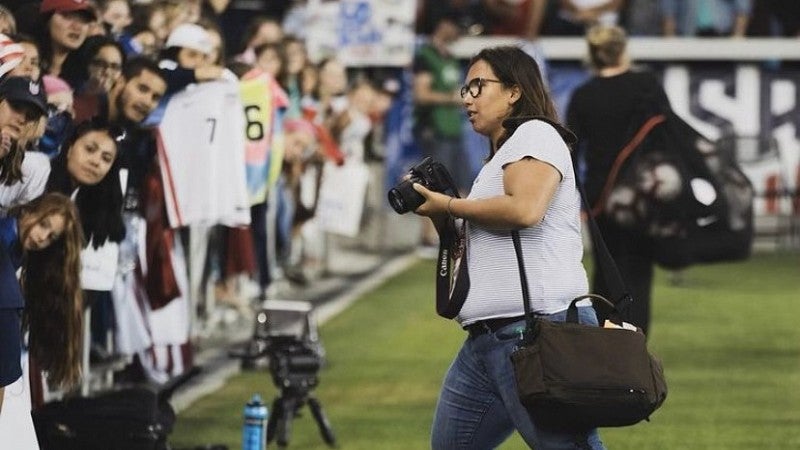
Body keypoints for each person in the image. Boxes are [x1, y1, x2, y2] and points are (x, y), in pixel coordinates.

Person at [412, 45, 605, 449]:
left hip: (533, 330)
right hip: (490, 337)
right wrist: (441, 214)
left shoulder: (536, 133)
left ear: (514, 91)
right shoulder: (505, 151)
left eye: (478, 85)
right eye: (465, 88)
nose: (467, 97)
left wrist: (449, 203)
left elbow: (525, 209)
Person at [566, 24, 671, 335]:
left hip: (601, 196)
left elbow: (571, 149)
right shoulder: (647, 85)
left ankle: (605, 345)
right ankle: (635, 345)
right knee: (638, 270)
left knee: (605, 273)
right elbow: (664, 138)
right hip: (641, 193)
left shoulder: (584, 95)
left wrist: (577, 197)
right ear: (623, 49)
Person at [0, 192, 83, 445]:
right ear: (29, 210)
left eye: (51, 238)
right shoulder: (4, 238)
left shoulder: (17, 251)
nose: (42, 238)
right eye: (44, 225)